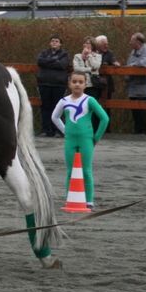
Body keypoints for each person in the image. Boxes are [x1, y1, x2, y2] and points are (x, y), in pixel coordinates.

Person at [51, 71, 109, 209]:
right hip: (70, 141)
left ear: (85, 84)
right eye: (74, 81)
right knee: (70, 171)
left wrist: (96, 138)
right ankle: (69, 198)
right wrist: (66, 131)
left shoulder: (89, 100)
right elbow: (54, 117)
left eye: (81, 82)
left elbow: (104, 118)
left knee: (86, 171)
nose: (77, 84)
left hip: (86, 141)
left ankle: (89, 201)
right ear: (69, 84)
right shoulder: (64, 101)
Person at [36, 35, 69, 137]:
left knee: (58, 107)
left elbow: (62, 65)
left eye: (57, 41)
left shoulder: (64, 54)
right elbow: (40, 61)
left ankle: (58, 130)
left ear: (60, 44)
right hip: (44, 83)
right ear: (50, 43)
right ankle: (46, 130)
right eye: (53, 41)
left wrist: (48, 61)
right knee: (45, 107)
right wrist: (54, 60)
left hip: (59, 84)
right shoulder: (44, 53)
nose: (54, 43)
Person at [126, 32, 146, 135]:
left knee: (143, 112)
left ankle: (145, 132)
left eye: (131, 40)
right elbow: (128, 65)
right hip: (133, 87)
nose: (130, 42)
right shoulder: (132, 52)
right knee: (135, 112)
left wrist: (131, 67)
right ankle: (137, 132)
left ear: (137, 42)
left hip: (143, 87)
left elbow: (142, 64)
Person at [95, 35, 120, 132]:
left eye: (107, 44)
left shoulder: (109, 53)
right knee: (95, 106)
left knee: (107, 107)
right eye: (104, 44)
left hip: (107, 85)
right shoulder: (93, 52)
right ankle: (95, 127)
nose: (106, 46)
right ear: (98, 44)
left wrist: (115, 63)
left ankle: (106, 129)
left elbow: (114, 60)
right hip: (95, 85)